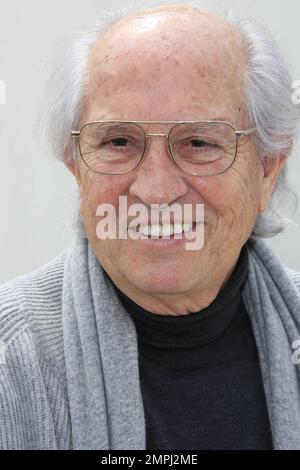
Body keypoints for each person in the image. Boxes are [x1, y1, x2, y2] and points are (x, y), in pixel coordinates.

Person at [1, 3, 300, 450]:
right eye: (119, 142)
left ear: (268, 170)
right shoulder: (11, 356)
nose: (157, 191)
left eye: (199, 143)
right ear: (77, 168)